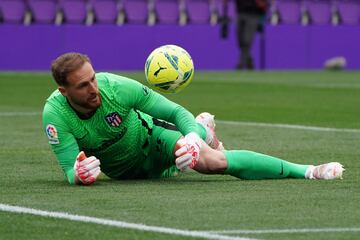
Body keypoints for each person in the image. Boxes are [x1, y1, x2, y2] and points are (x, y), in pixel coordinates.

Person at [42, 52, 344, 185]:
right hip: (130, 175)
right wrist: (80, 175)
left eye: (93, 78)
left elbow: (174, 112)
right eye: (83, 85)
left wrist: (190, 139)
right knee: (181, 166)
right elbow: (71, 169)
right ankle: (203, 128)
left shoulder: (117, 88)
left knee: (211, 163)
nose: (93, 88)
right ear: (63, 89)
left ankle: (306, 171)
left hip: (153, 140)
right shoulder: (55, 115)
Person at [234, 0, 268, 70]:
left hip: (253, 15)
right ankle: (250, 64)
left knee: (247, 41)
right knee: (240, 42)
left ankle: (240, 65)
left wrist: (262, 4)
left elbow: (264, 4)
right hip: (240, 13)